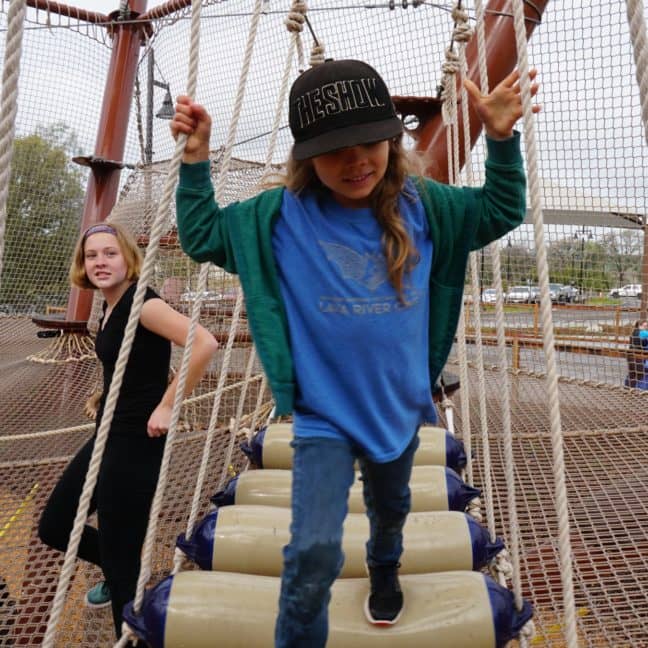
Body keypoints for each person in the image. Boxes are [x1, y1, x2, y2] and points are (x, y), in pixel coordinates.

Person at [171, 58, 539, 647]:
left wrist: (500, 140)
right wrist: (194, 163)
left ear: (394, 141)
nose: (356, 161)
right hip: (321, 418)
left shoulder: (425, 209)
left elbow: (500, 211)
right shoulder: (277, 220)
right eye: (335, 149)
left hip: (397, 412)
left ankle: (384, 563)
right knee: (312, 552)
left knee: (390, 507)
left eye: (370, 142)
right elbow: (203, 234)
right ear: (305, 158)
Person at [38, 222, 218, 642]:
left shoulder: (143, 303)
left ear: (129, 259)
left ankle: (133, 618)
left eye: (110, 253)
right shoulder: (110, 304)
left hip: (136, 442)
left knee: (121, 564)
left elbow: (204, 343)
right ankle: (124, 572)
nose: (100, 262)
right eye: (92, 255)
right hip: (108, 433)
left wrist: (167, 404)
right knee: (56, 525)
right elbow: (131, 363)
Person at [626, 318, 648, 388]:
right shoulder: (641, 332)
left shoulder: (634, 332)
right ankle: (636, 390)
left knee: (632, 374)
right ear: (639, 325)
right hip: (637, 357)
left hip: (630, 356)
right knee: (640, 374)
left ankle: (628, 389)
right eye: (645, 326)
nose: (646, 328)